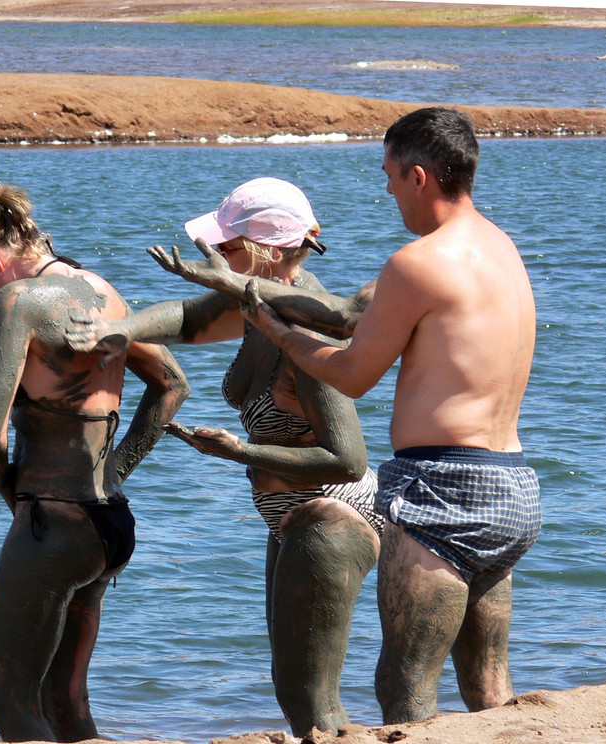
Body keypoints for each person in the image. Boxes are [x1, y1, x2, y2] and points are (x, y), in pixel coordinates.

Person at [239, 108, 542, 724]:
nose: (386, 190)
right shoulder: (501, 247)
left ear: (420, 176)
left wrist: (279, 331)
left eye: (389, 174)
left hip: (442, 488)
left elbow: (353, 374)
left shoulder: (418, 262)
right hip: (512, 486)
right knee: (487, 684)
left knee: (404, 685)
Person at [67, 177, 383, 734]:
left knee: (309, 694)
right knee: (291, 688)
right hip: (289, 516)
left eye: (227, 248)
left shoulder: (304, 323)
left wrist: (239, 451)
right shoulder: (253, 299)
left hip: (334, 513)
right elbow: (188, 318)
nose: (214, 258)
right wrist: (118, 331)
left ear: (270, 249)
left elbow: (348, 459)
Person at [0, 183, 188, 742]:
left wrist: (18, 506)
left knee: (7, 698)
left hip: (53, 523)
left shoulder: (18, 302)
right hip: (110, 522)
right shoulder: (105, 294)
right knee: (64, 698)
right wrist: (116, 471)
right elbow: (173, 385)